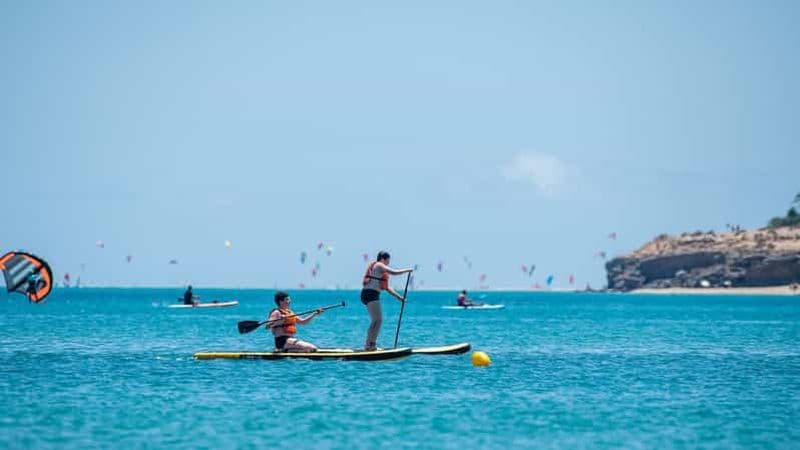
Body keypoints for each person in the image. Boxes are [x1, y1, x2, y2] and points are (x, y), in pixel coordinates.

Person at [360, 251, 413, 351]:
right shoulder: (379, 265)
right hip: (371, 294)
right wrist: (407, 270)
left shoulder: (378, 270)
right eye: (388, 260)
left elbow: (387, 288)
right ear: (383, 259)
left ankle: (369, 344)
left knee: (376, 320)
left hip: (368, 294)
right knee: (377, 320)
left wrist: (399, 298)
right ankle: (370, 345)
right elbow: (394, 272)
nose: (389, 262)